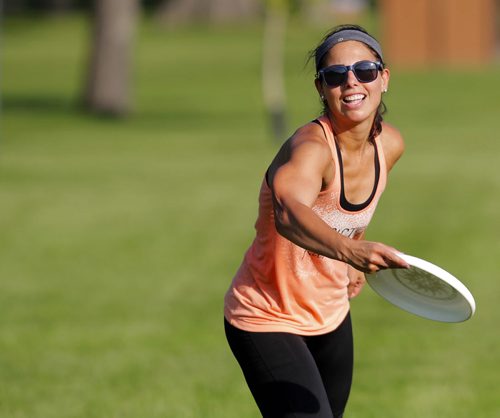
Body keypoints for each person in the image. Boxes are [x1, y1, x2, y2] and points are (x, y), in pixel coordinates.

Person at [224, 24, 409, 418]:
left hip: (330, 312)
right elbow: (290, 215)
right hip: (266, 315)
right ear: (321, 88)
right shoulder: (311, 149)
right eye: (336, 76)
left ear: (384, 78)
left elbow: (352, 211)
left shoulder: (389, 145)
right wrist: (351, 250)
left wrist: (350, 254)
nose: (352, 82)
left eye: (365, 70)